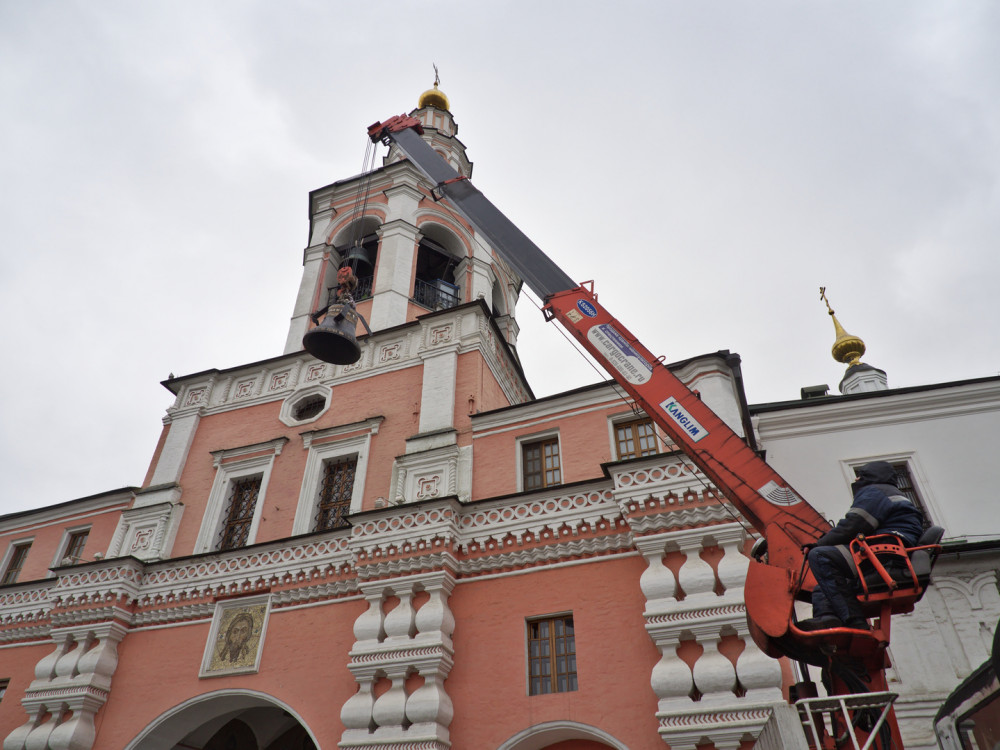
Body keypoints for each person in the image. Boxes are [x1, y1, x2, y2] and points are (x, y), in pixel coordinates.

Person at [799, 461, 925, 631]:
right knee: (828, 580)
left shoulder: (875, 492)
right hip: (892, 553)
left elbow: (854, 525)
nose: (857, 479)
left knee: (820, 556)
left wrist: (817, 545)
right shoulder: (893, 494)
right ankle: (827, 617)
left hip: (882, 552)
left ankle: (853, 620)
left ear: (869, 476)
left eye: (860, 475)